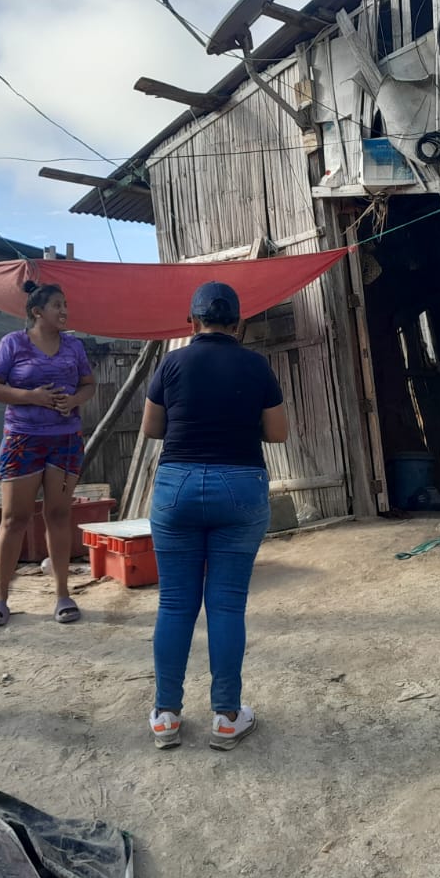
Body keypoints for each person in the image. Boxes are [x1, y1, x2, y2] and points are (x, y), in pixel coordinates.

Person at [140, 281, 287, 751]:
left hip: (177, 486)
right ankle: (227, 717)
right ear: (237, 324)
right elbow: (278, 433)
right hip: (239, 486)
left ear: (192, 321)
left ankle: (166, 715)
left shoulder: (172, 363)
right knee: (226, 605)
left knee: (174, 604)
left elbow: (152, 428)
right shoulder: (256, 365)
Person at [0, 281, 96, 627]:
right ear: (37, 311)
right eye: (57, 305)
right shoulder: (13, 344)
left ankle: (62, 594)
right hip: (22, 440)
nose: (64, 311)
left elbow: (88, 385)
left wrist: (74, 400)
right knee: (14, 519)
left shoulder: (74, 346)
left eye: (65, 305)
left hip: (65, 441)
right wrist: (33, 397)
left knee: (58, 515)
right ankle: (0, 597)